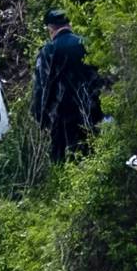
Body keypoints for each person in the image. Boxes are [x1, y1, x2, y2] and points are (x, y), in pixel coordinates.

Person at [30, 9, 104, 161]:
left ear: (50, 29)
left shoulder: (48, 52)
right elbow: (102, 77)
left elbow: (40, 88)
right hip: (92, 110)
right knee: (95, 152)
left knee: (65, 160)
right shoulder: (86, 44)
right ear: (69, 24)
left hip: (63, 117)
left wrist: (40, 117)